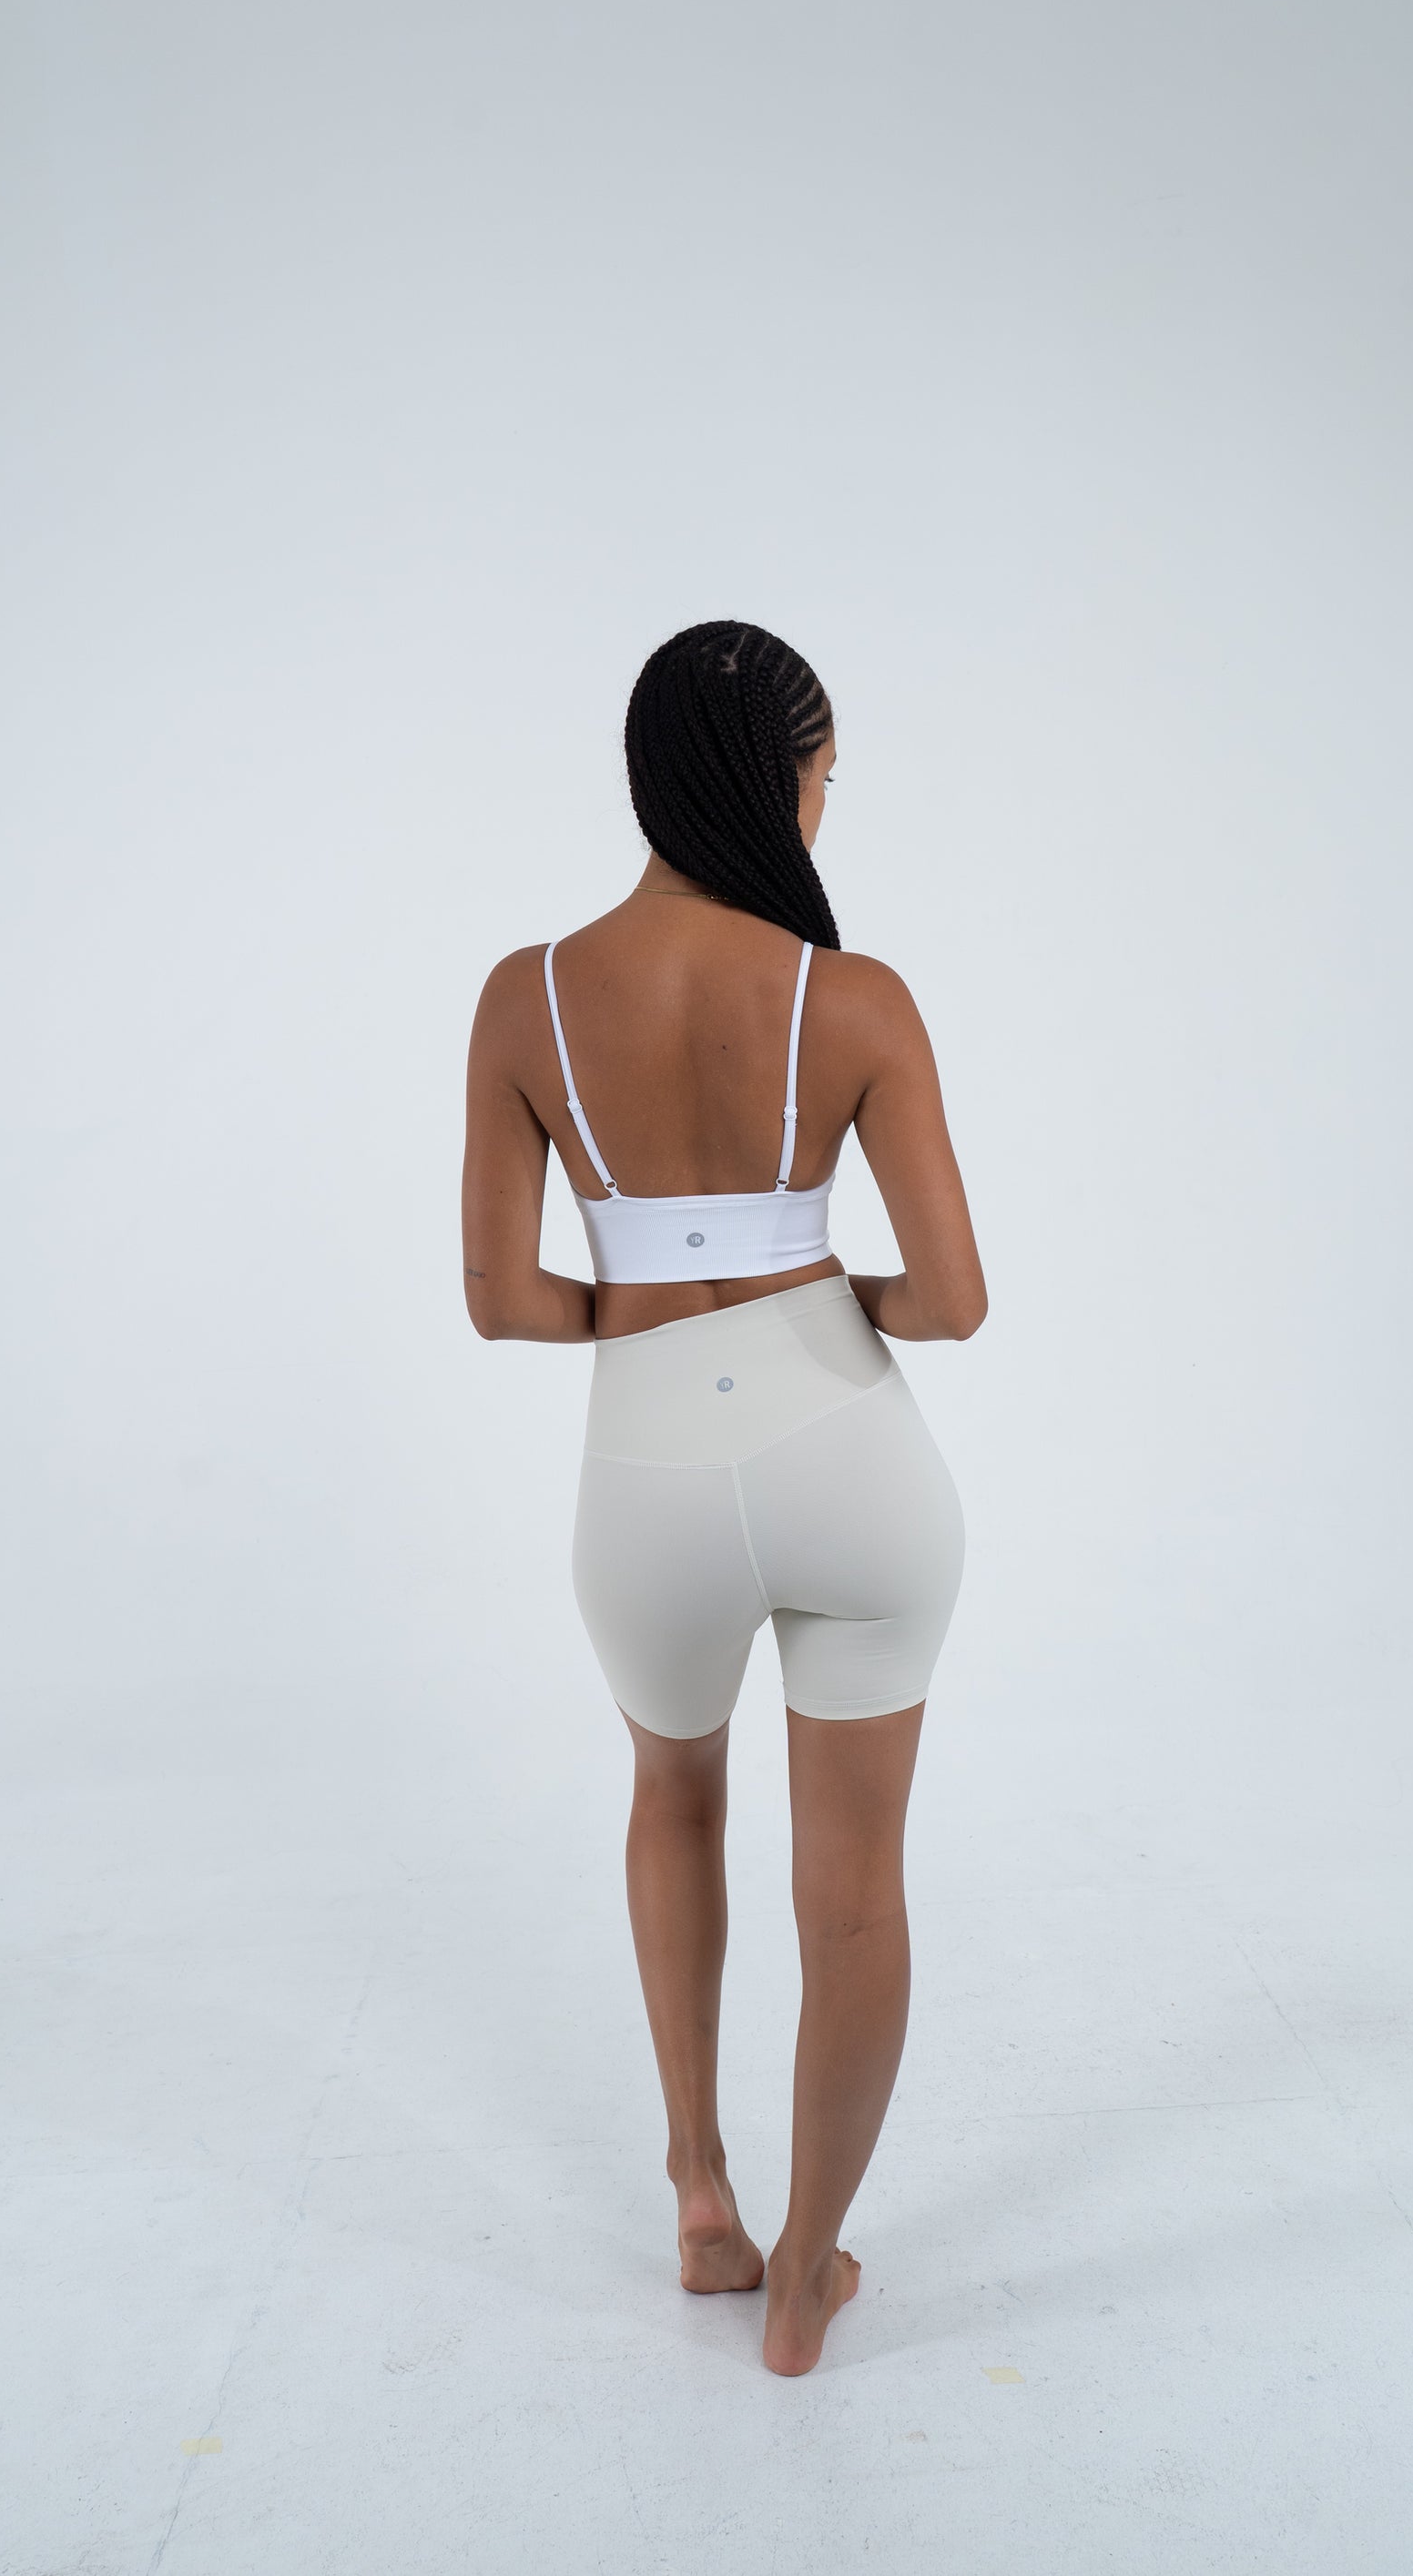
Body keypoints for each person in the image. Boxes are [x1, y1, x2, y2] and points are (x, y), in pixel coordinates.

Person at [461, 620, 986, 2376]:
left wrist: (653, 1309)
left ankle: (701, 2194)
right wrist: (806, 1300)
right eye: (824, 777)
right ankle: (805, 2278)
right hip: (851, 1460)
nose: (827, 808)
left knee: (672, 1801)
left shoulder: (526, 996)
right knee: (858, 1892)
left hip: (646, 1480)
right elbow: (954, 1299)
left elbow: (503, 1302)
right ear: (779, 782)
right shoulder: (856, 998)